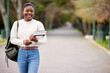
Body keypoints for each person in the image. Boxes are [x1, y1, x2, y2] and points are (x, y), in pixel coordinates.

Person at [10, 3, 47, 73]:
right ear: (23, 12)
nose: (29, 13)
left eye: (31, 11)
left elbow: (44, 40)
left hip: (34, 54)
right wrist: (23, 42)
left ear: (34, 13)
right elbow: (12, 39)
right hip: (21, 53)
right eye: (27, 10)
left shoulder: (38, 24)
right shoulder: (17, 23)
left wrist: (35, 40)